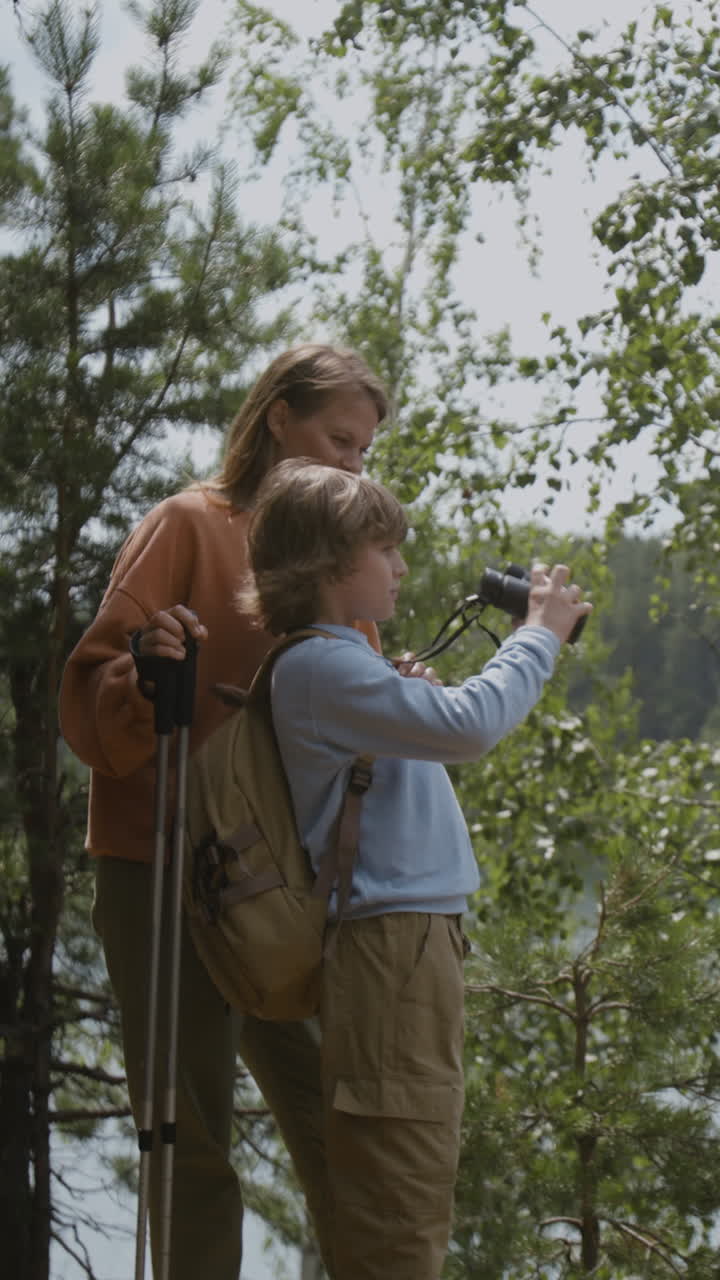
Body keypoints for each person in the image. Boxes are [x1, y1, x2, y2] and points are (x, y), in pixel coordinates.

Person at [59, 345, 435, 1280]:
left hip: (289, 886)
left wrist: (395, 699)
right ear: (277, 417)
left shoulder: (332, 556)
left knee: (340, 1116)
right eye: (337, 438)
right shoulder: (189, 523)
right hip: (158, 865)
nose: (352, 463)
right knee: (187, 1135)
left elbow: (351, 726)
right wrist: (150, 667)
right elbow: (91, 704)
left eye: (363, 450)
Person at [239, 458, 593, 1280]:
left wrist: (398, 703)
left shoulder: (335, 664)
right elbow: (469, 726)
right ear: (329, 565)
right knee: (399, 1210)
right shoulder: (318, 665)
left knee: (409, 1194)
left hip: (407, 947)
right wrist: (537, 634)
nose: (401, 567)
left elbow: (427, 740)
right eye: (384, 550)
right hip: (389, 950)